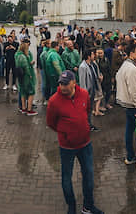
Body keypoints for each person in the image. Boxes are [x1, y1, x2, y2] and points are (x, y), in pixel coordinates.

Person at [45, 71, 103, 214]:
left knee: (89, 176)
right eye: (61, 83)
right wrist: (65, 133)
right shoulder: (54, 101)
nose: (62, 87)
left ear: (73, 83)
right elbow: (51, 123)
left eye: (65, 84)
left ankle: (88, 206)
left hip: (85, 144)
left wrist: (85, 128)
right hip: (67, 147)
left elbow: (87, 110)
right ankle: (71, 205)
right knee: (66, 178)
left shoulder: (83, 94)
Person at [78, 49, 101, 131]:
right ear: (88, 56)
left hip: (92, 91)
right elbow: (82, 81)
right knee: (86, 110)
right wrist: (84, 94)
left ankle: (89, 124)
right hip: (87, 93)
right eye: (92, 54)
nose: (94, 56)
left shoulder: (91, 64)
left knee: (90, 109)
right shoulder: (82, 67)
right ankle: (86, 125)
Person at [15, 40, 37, 116]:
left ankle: (23, 108)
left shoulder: (17, 54)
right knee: (31, 92)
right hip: (26, 76)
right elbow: (26, 67)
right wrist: (30, 75)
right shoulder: (23, 56)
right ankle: (29, 109)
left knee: (22, 91)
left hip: (20, 75)